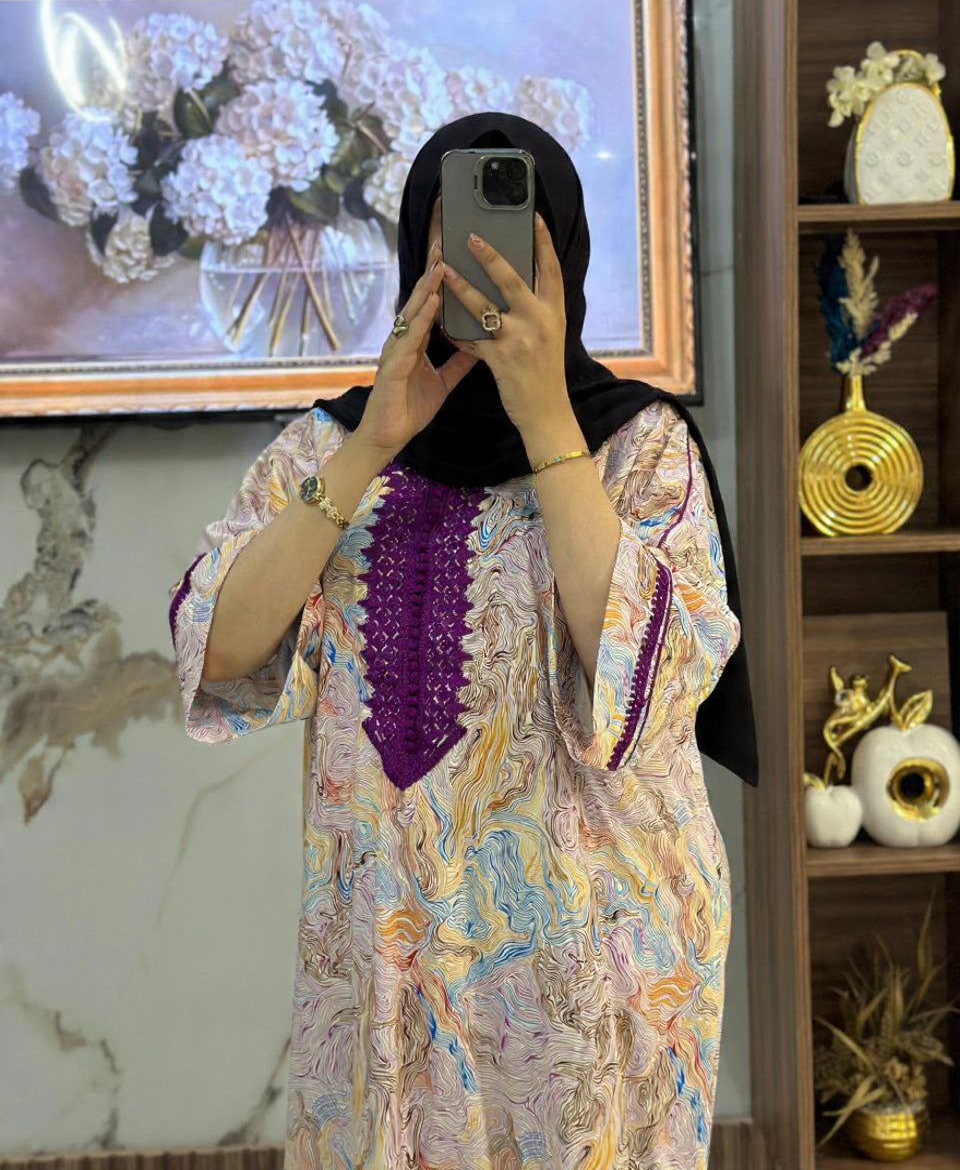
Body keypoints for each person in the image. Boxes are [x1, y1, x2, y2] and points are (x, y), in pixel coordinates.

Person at [169, 112, 758, 1170]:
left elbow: (655, 681)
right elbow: (219, 649)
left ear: (562, 257)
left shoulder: (640, 444)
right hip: (391, 969)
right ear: (414, 252)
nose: (484, 265)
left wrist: (546, 420)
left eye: (512, 241)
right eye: (456, 239)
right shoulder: (332, 443)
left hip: (601, 970)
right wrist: (372, 446)